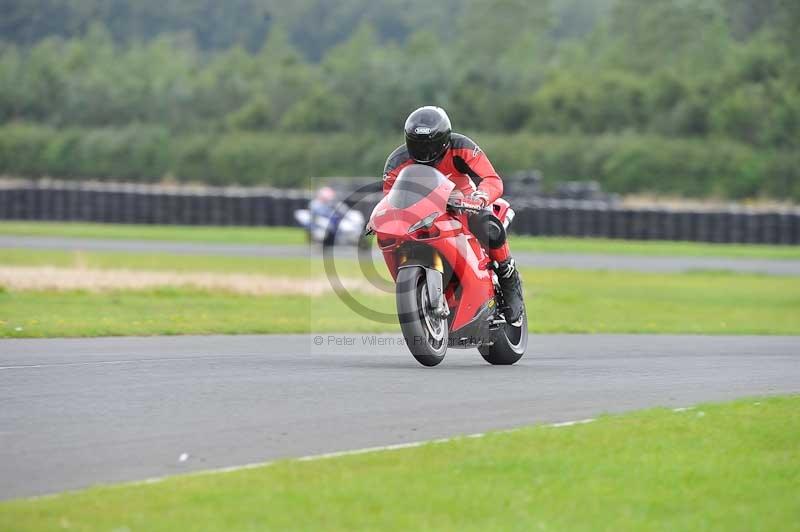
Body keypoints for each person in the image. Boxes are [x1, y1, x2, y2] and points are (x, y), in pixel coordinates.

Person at [382, 106, 524, 325]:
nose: (425, 151)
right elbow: (390, 198)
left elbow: (492, 179)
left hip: (464, 203)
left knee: (487, 225)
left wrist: (480, 198)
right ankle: (419, 291)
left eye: (430, 144)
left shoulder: (462, 147)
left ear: (444, 139)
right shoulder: (397, 162)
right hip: (423, 213)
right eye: (418, 145)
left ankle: (507, 275)